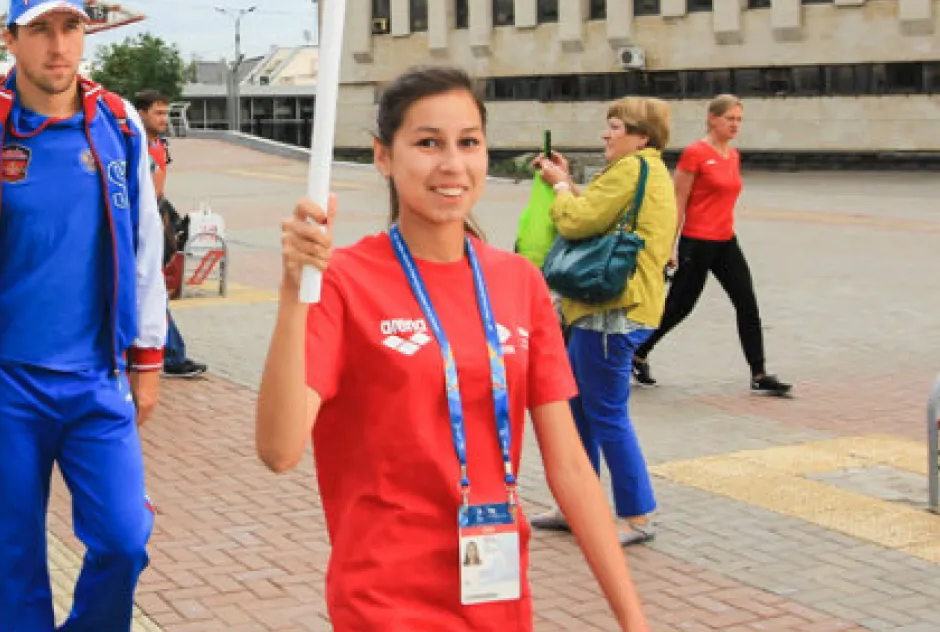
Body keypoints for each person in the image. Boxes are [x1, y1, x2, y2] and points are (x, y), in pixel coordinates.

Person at [256, 66, 650, 632]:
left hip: (497, 596)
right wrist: (295, 293)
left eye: (468, 142)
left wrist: (632, 618)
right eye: (427, 143)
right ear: (383, 157)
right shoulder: (344, 280)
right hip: (385, 602)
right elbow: (279, 449)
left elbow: (570, 467)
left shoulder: (520, 282)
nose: (452, 164)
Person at [0, 0, 165, 632]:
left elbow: (143, 245)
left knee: (123, 539)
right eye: (41, 30)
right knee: (17, 564)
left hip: (95, 379)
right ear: (10, 39)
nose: (59, 46)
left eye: (71, 27)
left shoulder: (118, 125)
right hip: (2, 388)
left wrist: (149, 352)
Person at [529, 97, 678, 547]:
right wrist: (568, 181)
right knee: (579, 409)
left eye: (615, 127)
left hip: (613, 313)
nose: (606, 135)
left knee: (607, 414)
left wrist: (558, 189)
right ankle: (578, 503)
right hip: (603, 310)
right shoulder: (641, 171)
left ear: (641, 135)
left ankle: (636, 514)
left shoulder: (634, 170)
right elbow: (598, 211)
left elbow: (579, 223)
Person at [632, 96, 791, 396]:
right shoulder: (695, 153)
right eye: (730, 119)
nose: (735, 125)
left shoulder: (732, 156)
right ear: (712, 119)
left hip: (726, 241)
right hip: (697, 241)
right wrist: (670, 245)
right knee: (679, 307)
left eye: (739, 120)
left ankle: (759, 373)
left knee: (747, 302)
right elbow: (677, 201)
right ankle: (637, 352)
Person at [133, 88, 207, 380]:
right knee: (152, 290)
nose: (164, 118)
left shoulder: (159, 145)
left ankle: (168, 353)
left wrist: (168, 221)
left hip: (155, 220)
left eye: (166, 112)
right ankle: (171, 355)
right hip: (135, 226)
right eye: (158, 113)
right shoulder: (131, 143)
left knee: (153, 289)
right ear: (141, 114)